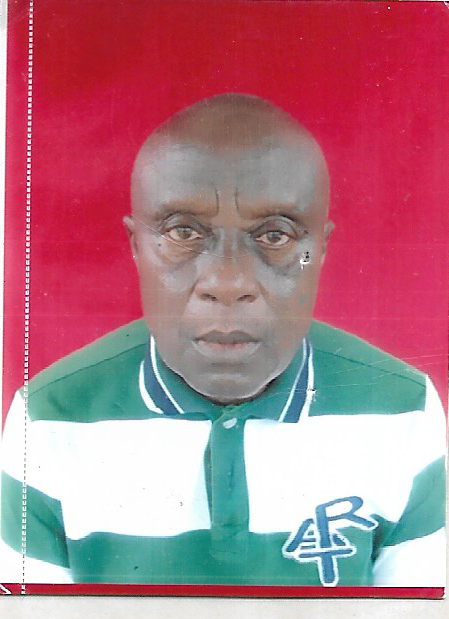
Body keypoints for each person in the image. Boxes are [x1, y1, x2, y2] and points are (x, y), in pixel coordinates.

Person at [1, 94, 446, 587]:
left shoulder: (404, 411)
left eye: (275, 236)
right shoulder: (49, 421)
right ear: (136, 247)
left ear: (317, 251)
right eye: (183, 232)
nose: (228, 282)